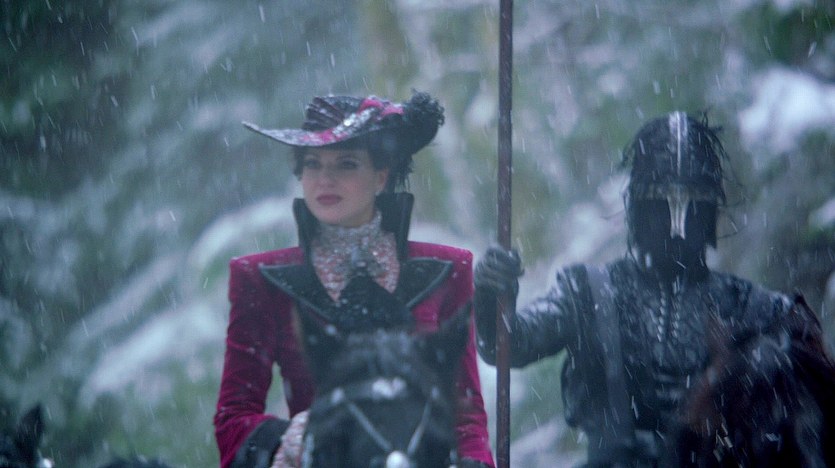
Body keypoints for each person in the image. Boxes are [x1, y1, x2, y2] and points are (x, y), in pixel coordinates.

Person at [473, 111, 811, 467]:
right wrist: (493, 295)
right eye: (663, 204)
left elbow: (804, 426)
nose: (678, 226)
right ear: (640, 208)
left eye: (691, 205)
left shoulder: (755, 309)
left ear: (708, 211)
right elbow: (506, 345)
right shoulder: (587, 292)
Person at [213, 91, 494, 468]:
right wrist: (310, 435)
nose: (324, 179)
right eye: (312, 164)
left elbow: (467, 415)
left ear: (381, 176)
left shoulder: (447, 269)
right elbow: (234, 420)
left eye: (346, 164)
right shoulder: (260, 279)